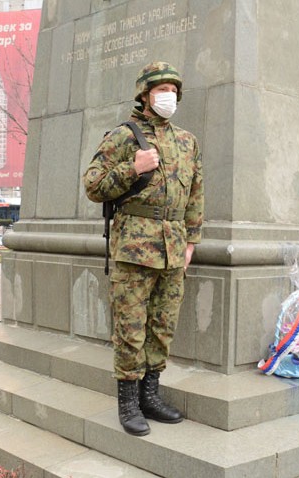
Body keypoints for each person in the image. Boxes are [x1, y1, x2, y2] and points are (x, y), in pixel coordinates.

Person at [82, 61, 204, 436]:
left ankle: (151, 397)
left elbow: (196, 191)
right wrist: (132, 169)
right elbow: (93, 185)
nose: (168, 96)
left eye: (173, 89)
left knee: (162, 326)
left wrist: (192, 239)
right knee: (131, 329)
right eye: (160, 89)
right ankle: (129, 404)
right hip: (134, 247)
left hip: (173, 246)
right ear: (145, 95)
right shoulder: (124, 136)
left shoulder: (187, 141)